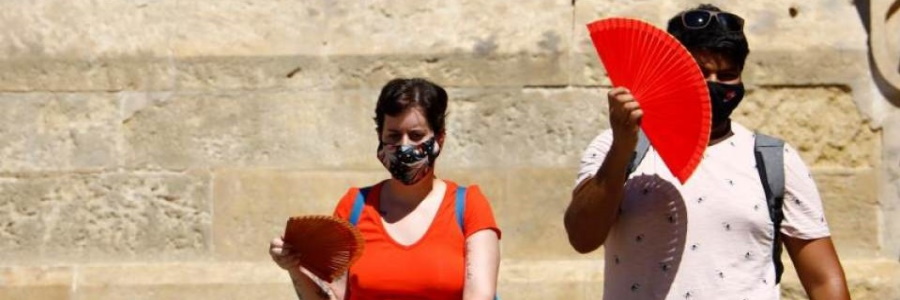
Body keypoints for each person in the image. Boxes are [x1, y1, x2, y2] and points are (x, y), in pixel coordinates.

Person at [564, 4, 850, 299]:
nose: (712, 85)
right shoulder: (615, 147)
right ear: (669, 73)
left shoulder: (774, 159)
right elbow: (581, 237)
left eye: (726, 75)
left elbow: (823, 281)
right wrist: (621, 148)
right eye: (699, 73)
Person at [270, 78, 501, 300]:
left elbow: (480, 295)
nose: (404, 145)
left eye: (416, 135)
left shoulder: (469, 205)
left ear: (439, 139)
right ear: (380, 136)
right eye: (393, 135)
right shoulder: (354, 206)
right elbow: (334, 296)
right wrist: (294, 266)